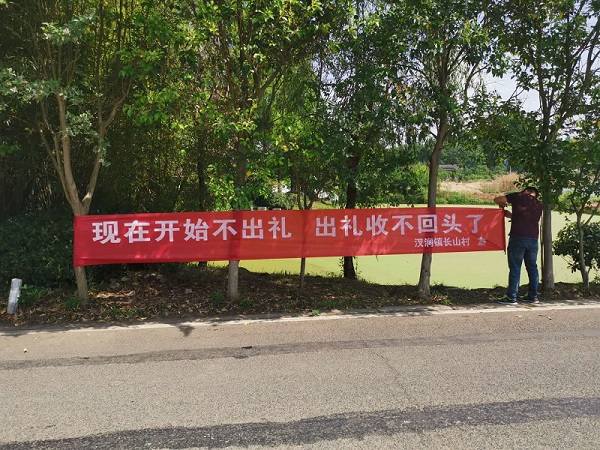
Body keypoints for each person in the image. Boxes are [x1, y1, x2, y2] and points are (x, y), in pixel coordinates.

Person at [494, 186, 543, 305]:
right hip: (533, 239)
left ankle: (512, 297)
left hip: (518, 237)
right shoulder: (538, 204)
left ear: (525, 191)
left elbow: (497, 200)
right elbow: (526, 218)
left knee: (515, 268)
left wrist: (504, 202)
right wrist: (510, 215)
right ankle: (533, 296)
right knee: (532, 268)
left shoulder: (519, 196)